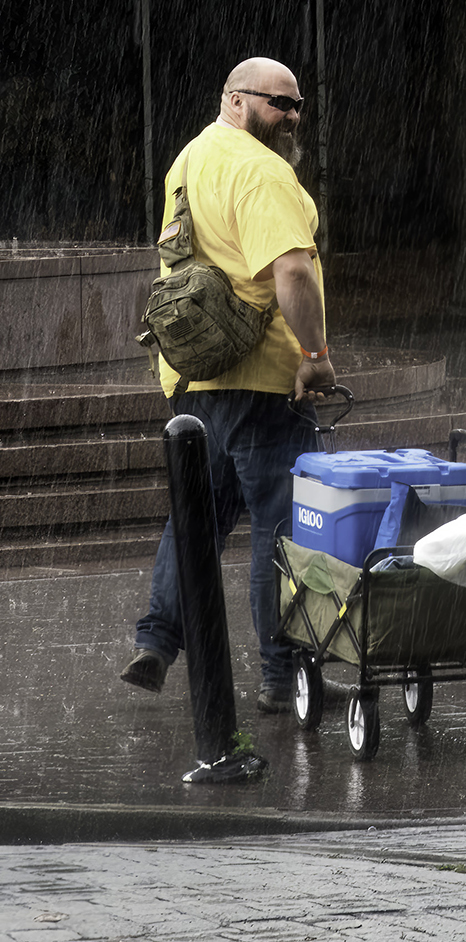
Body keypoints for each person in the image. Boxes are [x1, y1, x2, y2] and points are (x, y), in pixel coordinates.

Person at [121, 57, 335, 713]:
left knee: (195, 523)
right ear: (236, 100)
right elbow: (292, 272)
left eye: (298, 105)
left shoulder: (190, 160)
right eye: (279, 103)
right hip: (266, 380)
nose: (292, 117)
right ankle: (282, 676)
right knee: (283, 529)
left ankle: (158, 639)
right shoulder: (262, 171)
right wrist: (315, 353)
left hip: (193, 377)